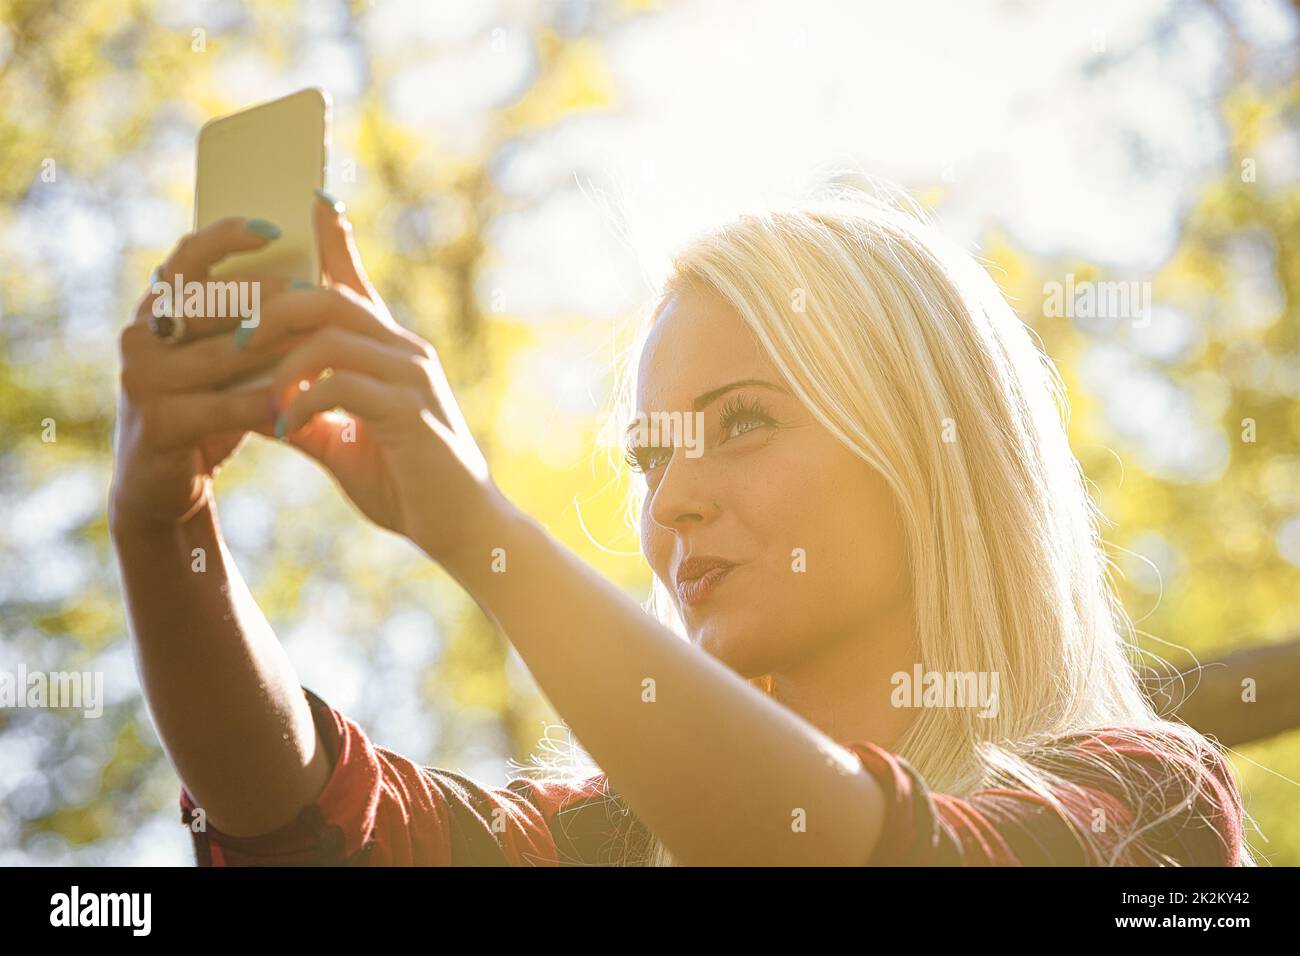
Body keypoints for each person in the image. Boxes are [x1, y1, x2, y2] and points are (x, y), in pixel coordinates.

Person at [110, 186, 1248, 866]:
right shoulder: (602, 839)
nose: (671, 499)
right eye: (650, 454)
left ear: (929, 451)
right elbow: (313, 820)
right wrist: (164, 524)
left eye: (742, 421)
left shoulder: (1150, 801)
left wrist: (478, 529)